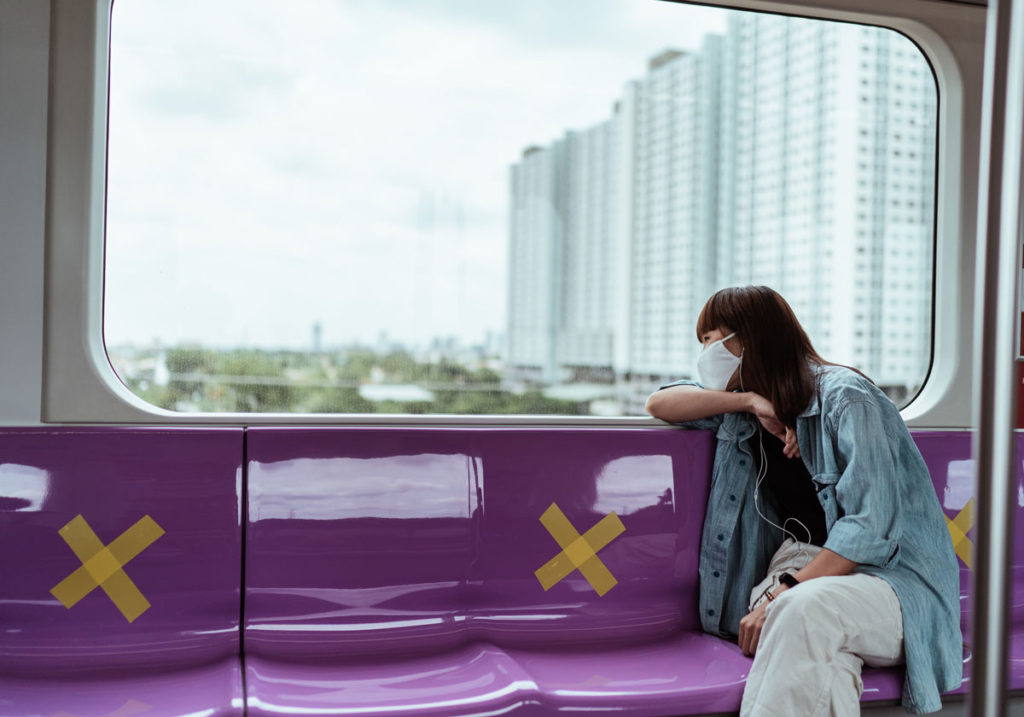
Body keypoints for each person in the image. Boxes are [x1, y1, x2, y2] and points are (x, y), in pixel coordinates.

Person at [645, 286, 961, 716]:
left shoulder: (847, 399)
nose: (705, 353)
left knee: (799, 613)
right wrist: (748, 400)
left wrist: (785, 592)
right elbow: (660, 402)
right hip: (808, 572)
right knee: (821, 660)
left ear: (747, 341)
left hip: (893, 582)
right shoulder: (747, 411)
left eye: (711, 339)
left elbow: (871, 527)